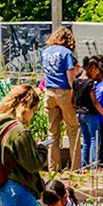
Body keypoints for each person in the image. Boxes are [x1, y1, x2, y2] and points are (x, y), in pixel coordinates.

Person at [40, 27, 80, 171]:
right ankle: (75, 167)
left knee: (52, 133)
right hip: (64, 92)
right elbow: (71, 78)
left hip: (49, 92)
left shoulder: (45, 52)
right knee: (73, 130)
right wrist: (75, 95)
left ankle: (53, 168)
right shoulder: (67, 53)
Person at [74, 56, 103, 169]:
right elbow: (95, 102)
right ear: (92, 68)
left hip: (80, 113)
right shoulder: (90, 83)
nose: (97, 73)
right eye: (96, 70)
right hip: (90, 114)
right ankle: (94, 166)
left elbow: (73, 99)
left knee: (85, 140)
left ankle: (83, 166)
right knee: (94, 140)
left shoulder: (76, 81)